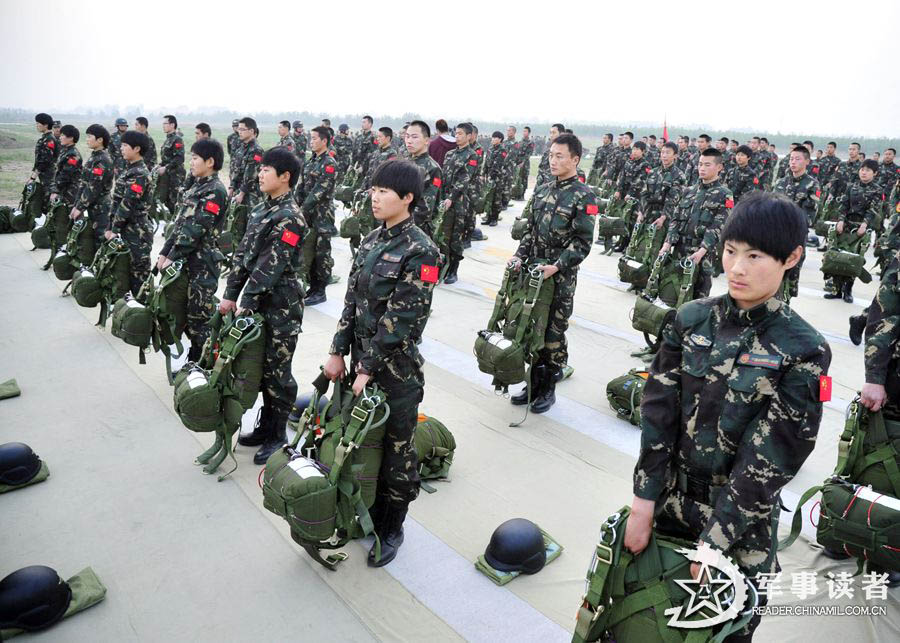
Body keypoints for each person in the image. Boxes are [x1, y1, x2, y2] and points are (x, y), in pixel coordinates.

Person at [625, 192, 831, 641]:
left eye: (754, 255)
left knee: (721, 630)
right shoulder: (691, 319)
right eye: (730, 251)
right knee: (640, 618)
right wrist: (643, 500)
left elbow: (774, 456)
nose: (736, 267)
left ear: (791, 257)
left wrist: (716, 541)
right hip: (668, 504)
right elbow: (658, 411)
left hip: (740, 527)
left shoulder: (804, 349)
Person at [323, 159, 440, 567]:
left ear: (407, 198)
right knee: (358, 440)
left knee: (396, 450)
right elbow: (352, 301)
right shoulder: (372, 239)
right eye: (373, 189)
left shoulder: (422, 250)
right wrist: (338, 350)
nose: (375, 196)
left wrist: (368, 366)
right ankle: (361, 509)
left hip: (396, 372)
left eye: (385, 191)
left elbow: (404, 318)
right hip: (360, 364)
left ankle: (392, 526)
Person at [223, 147, 307, 464]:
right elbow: (244, 256)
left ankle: (277, 436)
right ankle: (264, 427)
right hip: (259, 302)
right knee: (258, 366)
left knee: (278, 373)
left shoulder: (290, 217)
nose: (260, 174)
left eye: (267, 170)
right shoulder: (263, 210)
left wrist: (247, 299)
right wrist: (231, 293)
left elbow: (271, 265)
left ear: (285, 177)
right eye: (260, 169)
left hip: (282, 305)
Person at [508, 133, 597, 413]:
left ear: (575, 159)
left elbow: (583, 242)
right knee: (530, 327)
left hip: (559, 276)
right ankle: (532, 383)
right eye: (550, 155)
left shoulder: (585, 196)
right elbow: (530, 231)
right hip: (533, 273)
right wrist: (519, 256)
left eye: (560, 156)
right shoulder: (542, 189)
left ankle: (547, 388)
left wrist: (557, 265)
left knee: (552, 333)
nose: (553, 160)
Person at [156, 138, 228, 360]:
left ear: (210, 162)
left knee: (200, 316)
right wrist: (165, 250)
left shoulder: (215, 191)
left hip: (203, 264)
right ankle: (196, 356)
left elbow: (196, 229)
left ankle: (204, 362)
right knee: (184, 312)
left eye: (195, 158)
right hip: (186, 260)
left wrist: (173, 254)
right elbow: (180, 224)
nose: (191, 162)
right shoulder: (196, 186)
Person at [661, 148, 734, 299]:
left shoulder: (724, 194)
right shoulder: (689, 191)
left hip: (704, 254)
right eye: (700, 164)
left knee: (698, 298)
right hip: (680, 249)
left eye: (707, 165)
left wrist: (701, 251)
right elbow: (675, 219)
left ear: (719, 167)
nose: (702, 168)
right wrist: (667, 244)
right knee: (672, 292)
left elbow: (719, 226)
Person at [824, 159, 882, 303]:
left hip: (861, 229)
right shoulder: (851, 186)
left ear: (874, 173)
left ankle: (848, 290)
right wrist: (841, 220)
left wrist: (865, 224)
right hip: (846, 226)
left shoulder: (877, 190)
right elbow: (843, 204)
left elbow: (873, 210)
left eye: (868, 170)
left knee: (855, 259)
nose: (864, 172)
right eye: (862, 169)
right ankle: (836, 289)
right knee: (838, 255)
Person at [107, 130, 153, 295]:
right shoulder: (129, 170)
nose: (121, 148)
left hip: (137, 231)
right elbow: (117, 201)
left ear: (137, 149)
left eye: (125, 145)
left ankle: (141, 314)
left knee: (138, 276)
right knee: (125, 272)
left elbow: (128, 203)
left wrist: (114, 229)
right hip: (128, 229)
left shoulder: (139, 173)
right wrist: (111, 226)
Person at [296, 126, 338, 306]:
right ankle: (312, 287)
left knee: (322, 254)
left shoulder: (329, 163)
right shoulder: (310, 161)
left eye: (314, 138)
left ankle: (320, 290)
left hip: (322, 216)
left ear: (324, 141)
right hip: (308, 214)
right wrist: (294, 204)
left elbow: (319, 191)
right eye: (310, 138)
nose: (311, 141)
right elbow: (302, 187)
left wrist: (301, 210)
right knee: (309, 250)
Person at [773, 146, 820, 302]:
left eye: (798, 159)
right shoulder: (781, 182)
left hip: (795, 237)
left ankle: (784, 309)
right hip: (776, 236)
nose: (793, 162)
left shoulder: (812, 185)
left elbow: (809, 217)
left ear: (807, 161)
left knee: (790, 277)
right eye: (791, 158)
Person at [437, 123, 479, 284]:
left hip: (459, 203)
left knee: (455, 237)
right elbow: (442, 176)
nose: (457, 136)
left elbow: (464, 180)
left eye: (461, 133)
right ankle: (441, 266)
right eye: (456, 133)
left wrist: (451, 198)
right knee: (441, 235)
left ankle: (453, 270)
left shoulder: (472, 156)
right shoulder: (449, 154)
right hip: (445, 200)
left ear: (469, 136)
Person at [70, 124, 114, 252]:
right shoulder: (94, 157)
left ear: (100, 140)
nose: (87, 139)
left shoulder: (102, 160)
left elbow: (94, 187)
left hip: (100, 207)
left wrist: (80, 207)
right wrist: (77, 205)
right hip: (91, 204)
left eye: (90, 136)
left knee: (100, 239)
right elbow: (83, 184)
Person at [637, 141, 686, 242]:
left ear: (675, 155)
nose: (664, 155)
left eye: (668, 153)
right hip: (648, 213)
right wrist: (641, 212)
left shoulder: (679, 175)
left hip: (665, 217)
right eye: (662, 152)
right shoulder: (653, 172)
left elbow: (673, 200)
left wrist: (663, 218)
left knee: (655, 247)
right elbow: (644, 194)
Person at [405, 120, 442, 238]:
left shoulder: (432, 168)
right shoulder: (404, 162)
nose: (409, 141)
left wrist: (402, 225)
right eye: (407, 136)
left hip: (416, 230)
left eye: (414, 137)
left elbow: (425, 208)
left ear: (426, 140)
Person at [230, 117, 264, 209]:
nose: (239, 132)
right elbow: (235, 170)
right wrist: (232, 187)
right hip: (238, 191)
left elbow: (251, 175)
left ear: (251, 131)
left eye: (242, 129)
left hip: (250, 194)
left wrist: (241, 194)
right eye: (238, 129)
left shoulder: (256, 150)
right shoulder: (241, 149)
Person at [49, 125, 82, 214]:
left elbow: (66, 175)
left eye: (63, 135)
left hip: (70, 192)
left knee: (65, 217)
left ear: (71, 138)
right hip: (63, 189)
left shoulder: (73, 155)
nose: (60, 137)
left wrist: (55, 190)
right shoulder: (65, 151)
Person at [156, 115, 186, 217]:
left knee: (174, 200)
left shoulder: (177, 139)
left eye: (165, 123)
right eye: (163, 124)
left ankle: (177, 222)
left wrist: (166, 168)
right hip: (167, 175)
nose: (163, 126)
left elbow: (179, 158)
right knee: (167, 200)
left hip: (175, 175)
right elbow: (167, 158)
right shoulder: (168, 139)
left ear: (172, 125)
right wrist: (159, 165)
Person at [29, 113, 58, 214]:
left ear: (45, 125)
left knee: (48, 202)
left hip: (49, 177)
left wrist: (33, 176)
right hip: (44, 177)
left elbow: (46, 160)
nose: (37, 125)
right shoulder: (45, 138)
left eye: (38, 123)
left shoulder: (49, 139)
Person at [482, 131, 508, 226]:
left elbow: (498, 164)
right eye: (492, 137)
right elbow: (486, 162)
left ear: (500, 139)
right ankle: (488, 217)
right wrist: (484, 173)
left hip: (497, 178)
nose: (493, 139)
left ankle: (494, 218)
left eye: (495, 138)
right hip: (489, 176)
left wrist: (492, 176)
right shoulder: (490, 149)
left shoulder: (502, 150)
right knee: (489, 197)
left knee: (496, 198)